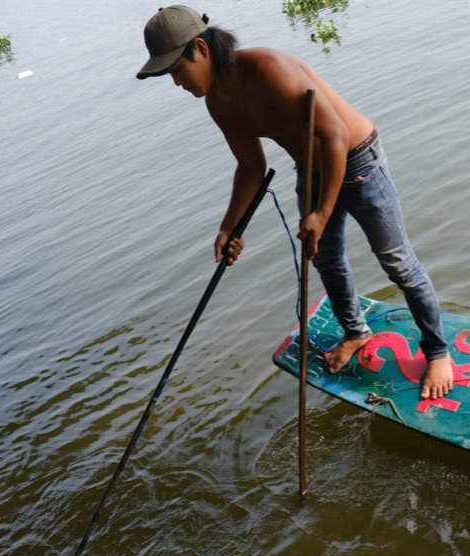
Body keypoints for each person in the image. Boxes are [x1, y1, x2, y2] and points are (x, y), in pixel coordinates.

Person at [137, 5, 453, 399]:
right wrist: (229, 227)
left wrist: (321, 212)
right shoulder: (217, 102)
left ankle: (438, 353)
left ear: (199, 49)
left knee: (397, 261)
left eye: (177, 70)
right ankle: (356, 332)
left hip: (357, 159)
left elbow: (335, 134)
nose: (177, 82)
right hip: (310, 169)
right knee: (324, 258)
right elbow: (251, 166)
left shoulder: (270, 70)